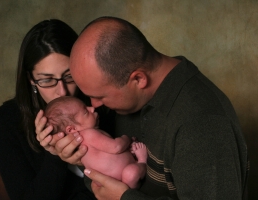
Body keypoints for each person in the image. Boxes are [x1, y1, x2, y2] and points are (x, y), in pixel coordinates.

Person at [36, 16, 249, 200]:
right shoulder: (125, 99)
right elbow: (106, 169)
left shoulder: (202, 123)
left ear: (138, 79)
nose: (94, 106)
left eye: (100, 96)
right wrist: (73, 153)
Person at [0, 19, 99, 200]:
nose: (62, 91)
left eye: (69, 76)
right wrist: (54, 156)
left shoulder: (99, 104)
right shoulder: (5, 122)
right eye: (47, 80)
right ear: (31, 79)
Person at [44, 96, 148, 189]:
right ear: (71, 129)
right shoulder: (88, 134)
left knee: (130, 175)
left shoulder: (77, 145)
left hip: (108, 185)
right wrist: (127, 138)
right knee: (131, 173)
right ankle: (142, 161)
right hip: (125, 175)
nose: (92, 108)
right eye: (85, 112)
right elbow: (117, 147)